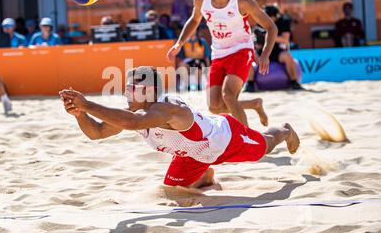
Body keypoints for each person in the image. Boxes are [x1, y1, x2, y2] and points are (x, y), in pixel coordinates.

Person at [59, 66, 300, 188]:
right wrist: (80, 113)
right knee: (173, 190)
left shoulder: (167, 109)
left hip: (225, 139)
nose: (125, 92)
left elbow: (133, 123)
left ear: (149, 91)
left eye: (131, 87)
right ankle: (206, 173)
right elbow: (97, 132)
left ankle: (286, 130)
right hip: (193, 154)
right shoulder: (134, 113)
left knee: (265, 146)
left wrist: (88, 103)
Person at [167, 0, 277, 127]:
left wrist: (265, 56)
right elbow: (194, 20)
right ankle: (254, 104)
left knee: (229, 95)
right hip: (218, 53)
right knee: (214, 107)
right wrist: (179, 43)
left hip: (241, 49)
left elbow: (271, 27)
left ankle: (248, 140)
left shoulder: (242, 1)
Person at [244, 5, 304, 92]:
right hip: (262, 51)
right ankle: (250, 83)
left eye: (268, 16)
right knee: (248, 57)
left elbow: (285, 40)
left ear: (274, 16)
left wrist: (267, 36)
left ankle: (294, 82)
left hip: (277, 51)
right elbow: (257, 45)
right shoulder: (260, 23)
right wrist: (257, 42)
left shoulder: (284, 22)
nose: (265, 18)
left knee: (288, 56)